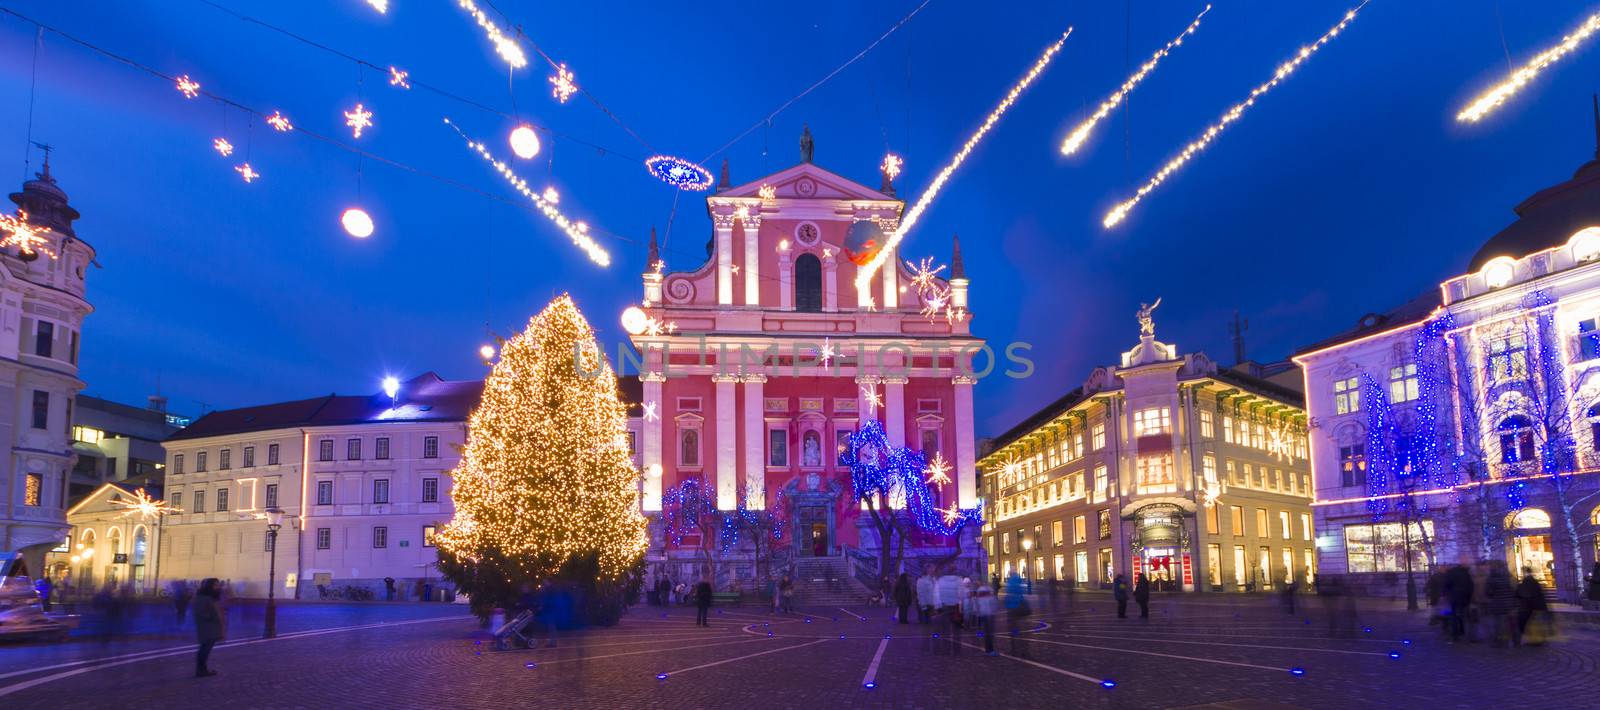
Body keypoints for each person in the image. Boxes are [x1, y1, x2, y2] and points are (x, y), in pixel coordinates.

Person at [192, 578, 225, 677]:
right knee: (205, 649)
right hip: (207, 627)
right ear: (209, 586)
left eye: (218, 585)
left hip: (211, 627)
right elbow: (202, 613)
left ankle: (203, 669)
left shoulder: (210, 597)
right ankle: (201, 670)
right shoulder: (204, 598)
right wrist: (213, 617)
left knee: (206, 649)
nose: (218, 587)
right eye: (215, 585)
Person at [1483, 561, 1516, 647]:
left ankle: (1499, 640)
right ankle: (1508, 639)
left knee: (1498, 623)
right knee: (1506, 623)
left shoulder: (1491, 578)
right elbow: (1513, 589)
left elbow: (1488, 592)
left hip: (1497, 603)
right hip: (1508, 603)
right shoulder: (1508, 576)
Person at [1441, 562, 1474, 643]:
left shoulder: (1451, 574)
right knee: (1462, 615)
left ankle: (1455, 635)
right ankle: (1463, 632)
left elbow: (1446, 585)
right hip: (1464, 598)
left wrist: (1447, 595)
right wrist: (1469, 597)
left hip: (1454, 598)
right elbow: (1470, 586)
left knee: (1454, 616)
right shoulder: (1466, 574)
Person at [1515, 567, 1549, 645]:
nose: (1522, 574)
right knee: (1534, 623)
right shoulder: (1534, 582)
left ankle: (1526, 640)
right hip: (1536, 606)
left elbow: (1520, 594)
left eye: (1523, 572)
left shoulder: (1526, 582)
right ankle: (1537, 640)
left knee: (1523, 623)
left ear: (1526, 573)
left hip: (1529, 607)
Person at [1003, 571, 1031, 658]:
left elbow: (1007, 597)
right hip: (1020, 609)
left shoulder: (1009, 584)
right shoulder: (1018, 582)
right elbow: (1022, 595)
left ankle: (1014, 650)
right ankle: (1024, 651)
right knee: (1022, 631)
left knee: (1013, 630)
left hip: (1011, 610)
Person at [972, 583, 998, 655]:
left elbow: (976, 604)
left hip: (985, 614)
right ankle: (990, 650)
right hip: (988, 614)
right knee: (989, 633)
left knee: (988, 633)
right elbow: (993, 602)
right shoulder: (987, 590)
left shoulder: (982, 590)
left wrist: (977, 613)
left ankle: (989, 649)